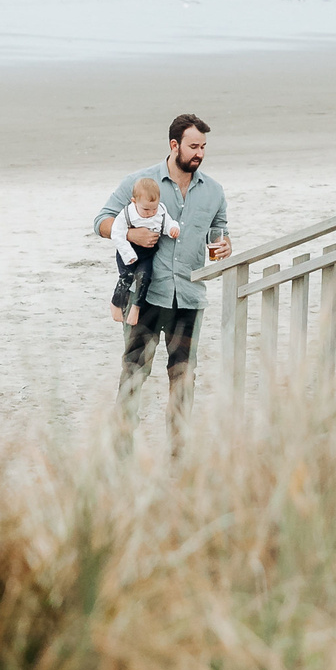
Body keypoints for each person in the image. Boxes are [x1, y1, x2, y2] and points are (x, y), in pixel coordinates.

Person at [94, 113, 231, 441]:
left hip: (189, 298)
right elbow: (101, 221)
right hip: (146, 297)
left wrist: (225, 247)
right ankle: (121, 449)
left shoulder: (213, 191)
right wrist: (133, 235)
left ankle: (178, 451)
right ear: (174, 145)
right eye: (193, 146)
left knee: (184, 378)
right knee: (133, 374)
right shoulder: (140, 183)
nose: (199, 153)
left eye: (203, 147)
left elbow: (221, 234)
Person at [107, 174, 180, 323]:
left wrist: (173, 229)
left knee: (144, 278)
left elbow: (168, 223)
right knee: (126, 277)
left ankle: (136, 308)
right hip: (127, 251)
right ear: (134, 202)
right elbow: (117, 234)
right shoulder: (127, 214)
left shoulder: (159, 211)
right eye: (146, 209)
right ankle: (116, 303)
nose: (150, 213)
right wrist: (128, 255)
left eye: (154, 209)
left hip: (147, 254)